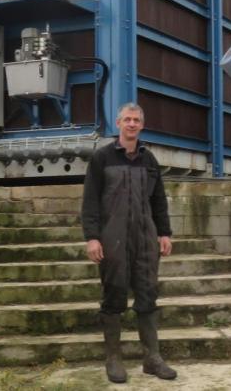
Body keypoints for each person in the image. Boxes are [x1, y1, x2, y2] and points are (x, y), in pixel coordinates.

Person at [81, 102, 177, 383]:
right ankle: (113, 359)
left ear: (142, 125)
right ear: (118, 123)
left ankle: (152, 358)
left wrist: (164, 232)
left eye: (136, 120)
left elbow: (158, 200)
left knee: (148, 294)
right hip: (113, 238)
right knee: (114, 296)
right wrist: (92, 237)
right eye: (127, 119)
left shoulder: (150, 161)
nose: (132, 124)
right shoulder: (102, 158)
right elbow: (90, 201)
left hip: (145, 239)